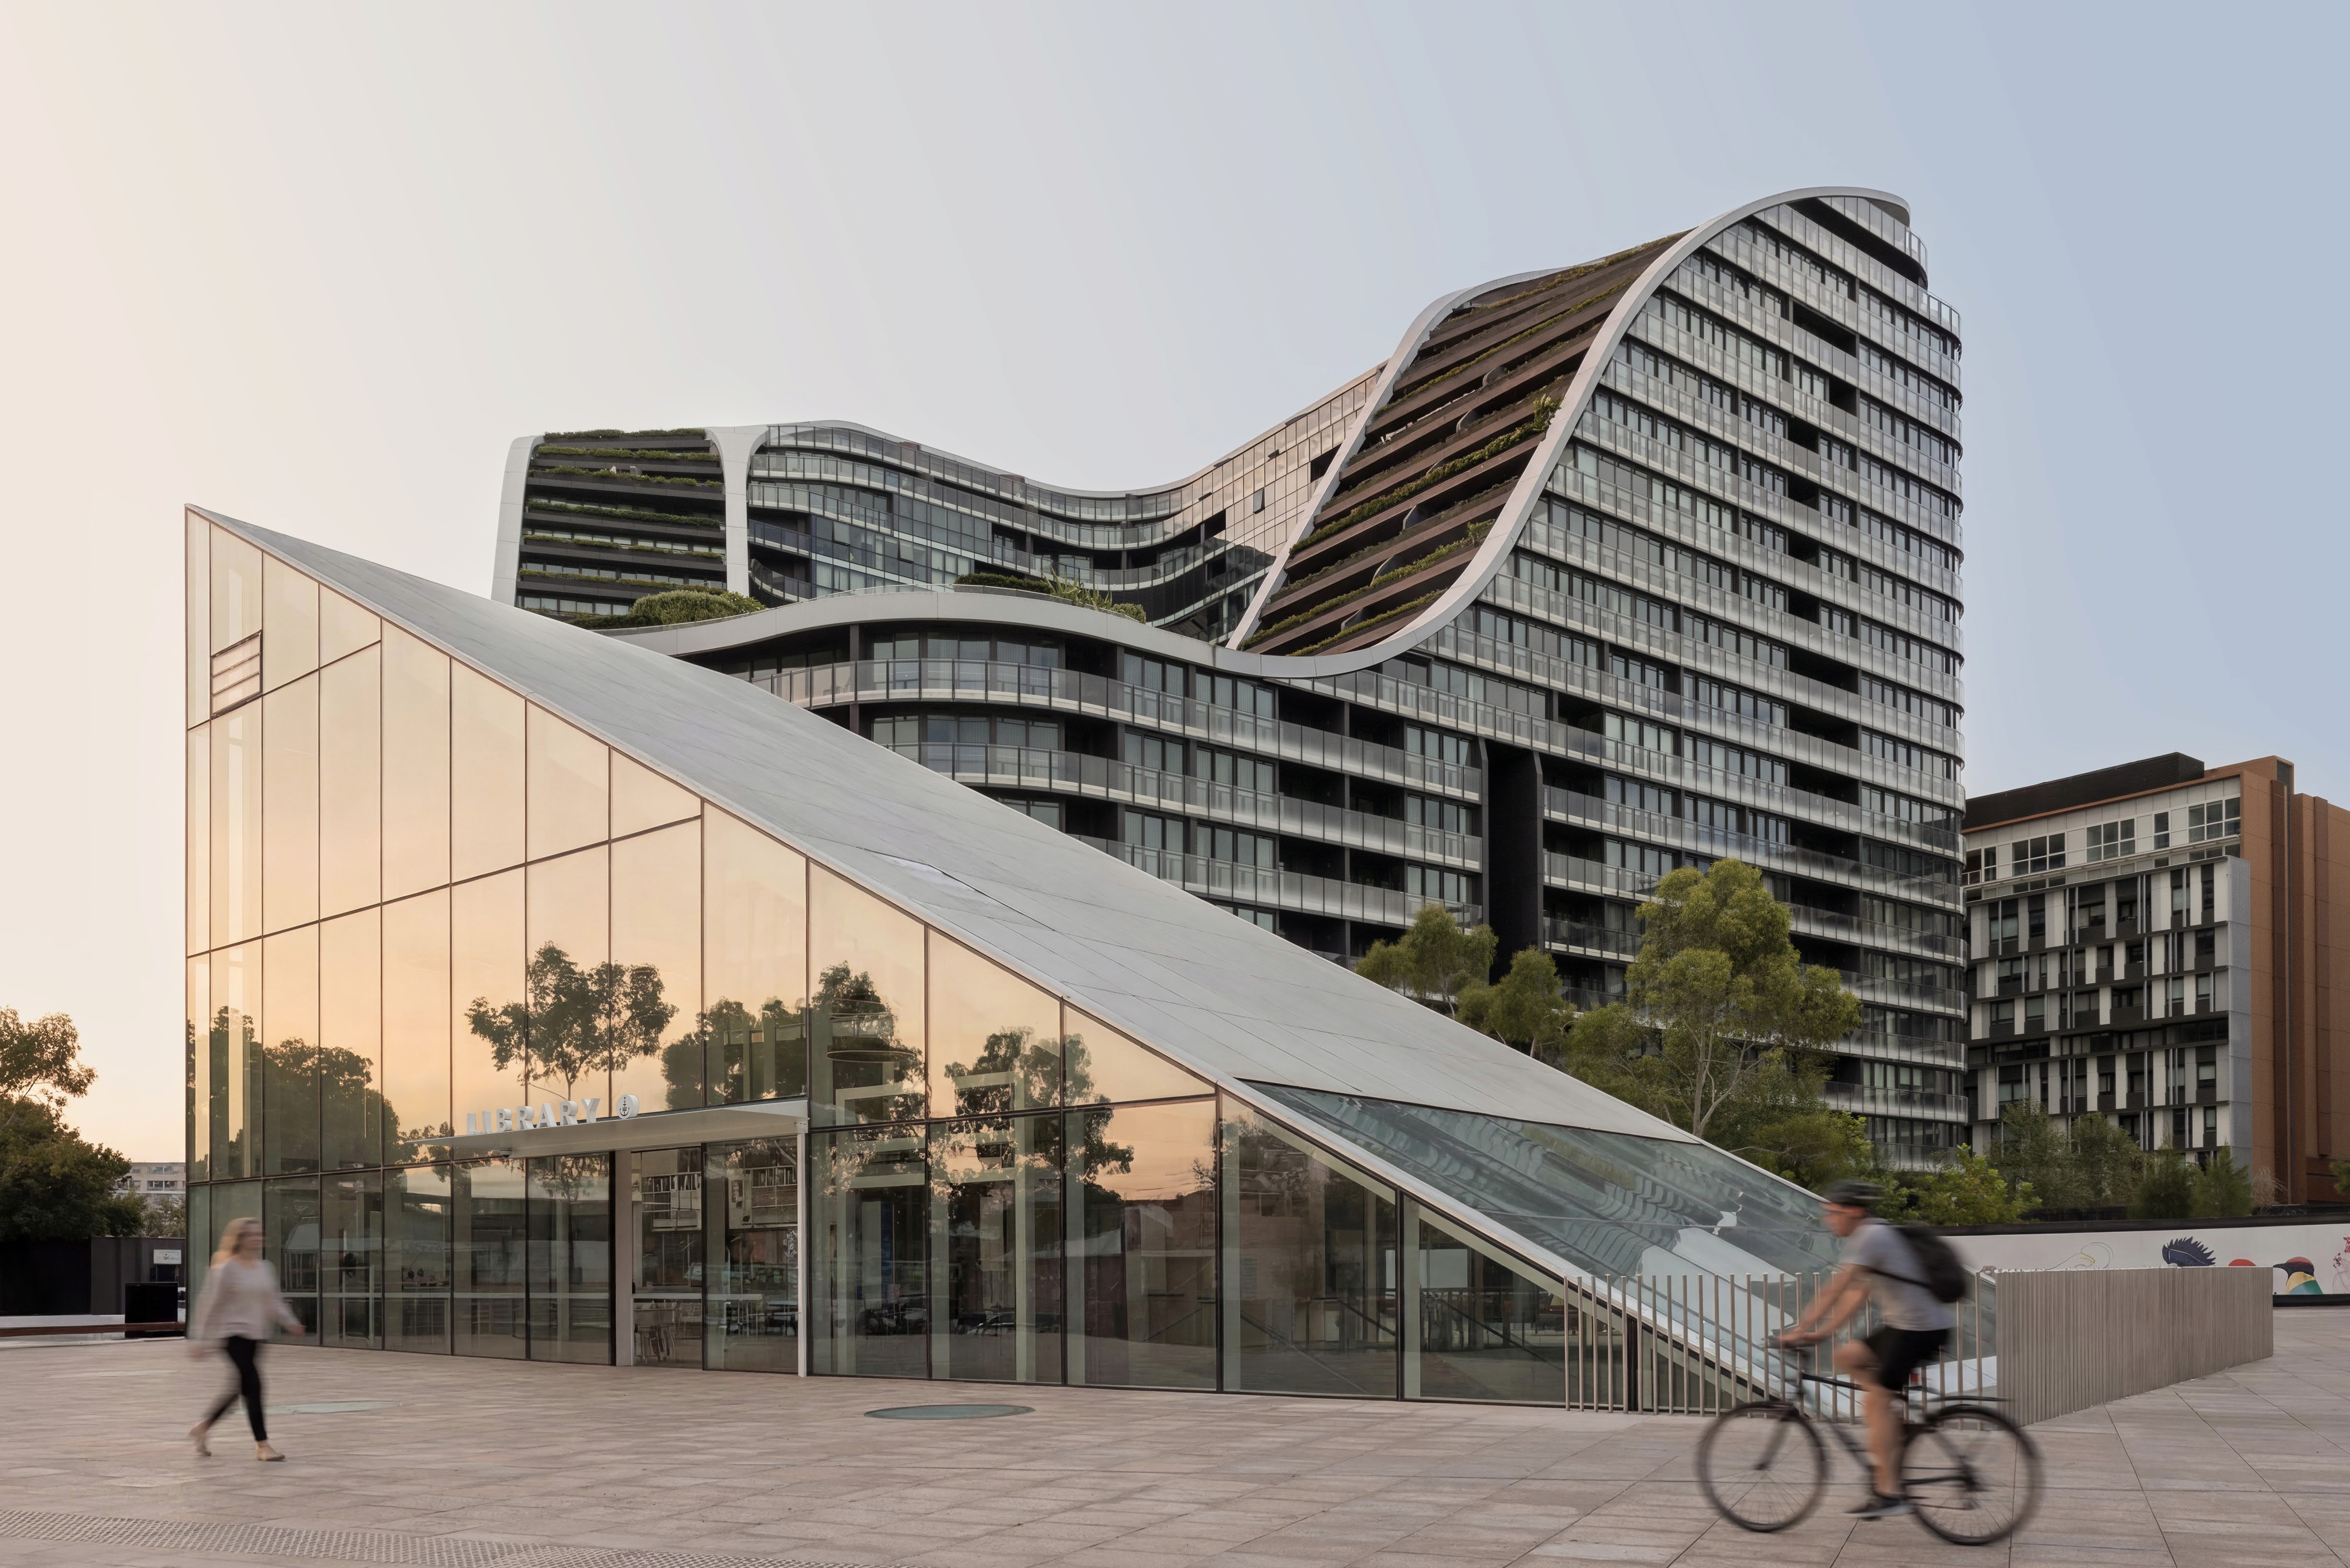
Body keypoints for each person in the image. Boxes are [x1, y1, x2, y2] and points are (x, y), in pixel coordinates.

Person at [1779, 1180, 1954, 1520]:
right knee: (1847, 1356)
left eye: (1834, 1214)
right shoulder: (1874, 1236)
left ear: (1855, 1211)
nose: (1829, 1221)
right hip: (1905, 1326)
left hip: (1919, 1330)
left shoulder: (1870, 1237)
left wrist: (1799, 1330)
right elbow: (1855, 1296)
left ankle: (1889, 1493)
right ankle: (1892, 1423)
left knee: (1874, 1401)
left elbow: (1834, 1290)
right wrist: (1822, 1334)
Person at [186, 1216, 305, 1461]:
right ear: (240, 1239)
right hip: (232, 1336)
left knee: (240, 1388)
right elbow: (210, 1304)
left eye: (260, 1234)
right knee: (255, 1386)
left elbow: (273, 1301)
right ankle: (263, 1446)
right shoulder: (226, 1268)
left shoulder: (265, 1268)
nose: (257, 1238)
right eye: (251, 1234)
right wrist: (200, 1339)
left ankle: (203, 1428)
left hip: (256, 1337)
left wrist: (290, 1322)